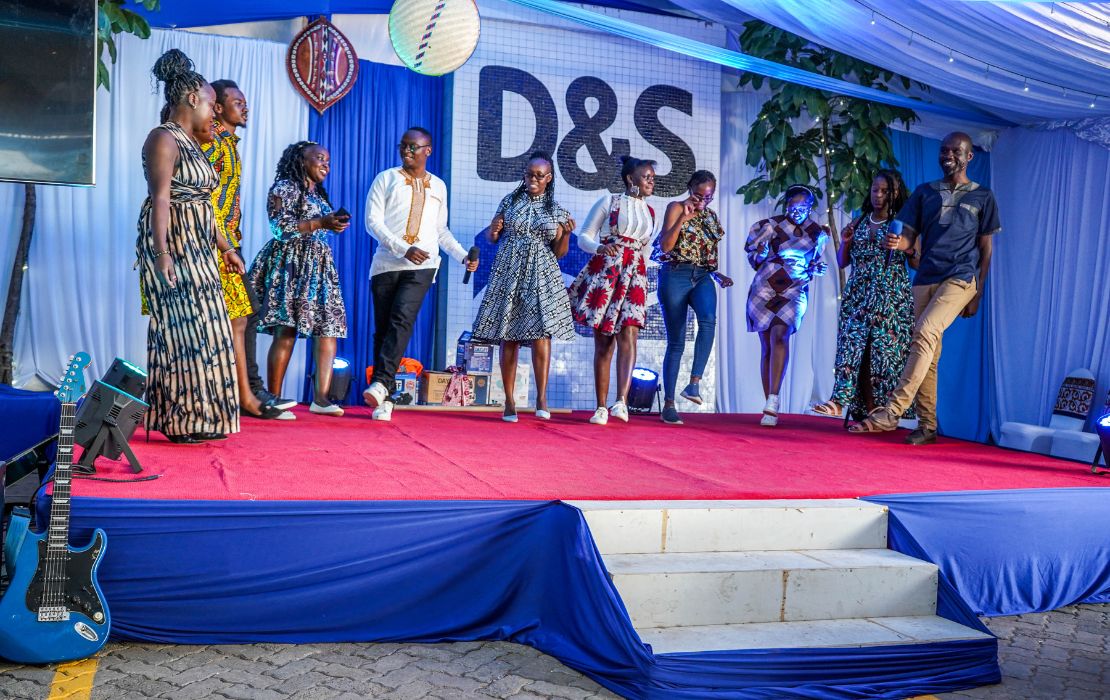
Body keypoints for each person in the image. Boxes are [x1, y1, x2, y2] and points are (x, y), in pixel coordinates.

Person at [850, 132, 1000, 444]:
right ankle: (928, 425)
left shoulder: (983, 196)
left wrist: (978, 292)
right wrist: (900, 243)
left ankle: (891, 411)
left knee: (926, 331)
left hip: (961, 277)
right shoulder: (924, 192)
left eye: (955, 151)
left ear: (969, 156)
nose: (948, 155)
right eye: (944, 150)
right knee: (928, 350)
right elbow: (909, 236)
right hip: (926, 276)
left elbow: (986, 249)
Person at [136, 49, 244, 444]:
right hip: (174, 242)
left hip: (200, 244)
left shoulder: (194, 142)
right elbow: (161, 198)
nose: (215, 113)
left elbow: (204, 204)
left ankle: (203, 417)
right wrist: (162, 253)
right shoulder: (163, 138)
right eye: (212, 105)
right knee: (182, 332)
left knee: (208, 331)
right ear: (193, 99)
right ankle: (178, 421)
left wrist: (226, 247)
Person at [363, 127, 479, 422]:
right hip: (385, 265)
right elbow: (372, 222)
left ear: (428, 150)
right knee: (383, 331)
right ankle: (385, 398)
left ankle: (380, 383)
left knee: (401, 319)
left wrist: (462, 256)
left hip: (423, 266)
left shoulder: (438, 186)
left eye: (413, 147)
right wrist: (403, 249)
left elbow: (441, 231)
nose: (407, 151)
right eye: (403, 146)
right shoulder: (386, 178)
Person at [201, 79, 289, 421]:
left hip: (227, 242)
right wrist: (222, 244)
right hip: (215, 244)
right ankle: (246, 393)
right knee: (242, 314)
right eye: (237, 102)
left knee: (245, 314)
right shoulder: (213, 143)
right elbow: (202, 197)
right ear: (217, 107)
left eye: (245, 102)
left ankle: (247, 392)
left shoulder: (229, 143)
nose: (245, 107)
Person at [471, 151, 576, 422]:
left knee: (542, 333)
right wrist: (493, 230)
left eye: (539, 176)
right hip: (509, 271)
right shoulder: (510, 201)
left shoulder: (556, 210)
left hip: (542, 274)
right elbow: (492, 237)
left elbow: (560, 252)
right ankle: (509, 401)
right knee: (509, 333)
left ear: (549, 178)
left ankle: (541, 398)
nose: (533, 179)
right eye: (529, 174)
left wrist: (566, 234)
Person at [248, 141, 350, 416]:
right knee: (287, 329)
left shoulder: (318, 194)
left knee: (328, 328)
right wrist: (320, 223)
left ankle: (321, 399)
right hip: (291, 264)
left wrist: (333, 225)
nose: (325, 164)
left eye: (328, 161)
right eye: (319, 158)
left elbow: (319, 226)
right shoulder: (285, 187)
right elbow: (279, 228)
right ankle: (274, 398)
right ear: (301, 161)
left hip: (319, 266)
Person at [811, 170, 913, 422]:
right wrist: (846, 242)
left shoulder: (904, 225)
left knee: (882, 353)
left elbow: (918, 261)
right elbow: (842, 262)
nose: (878, 195)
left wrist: (906, 246)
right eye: (875, 190)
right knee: (852, 346)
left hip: (890, 296)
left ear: (895, 193)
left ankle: (879, 411)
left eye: (885, 191)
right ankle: (840, 402)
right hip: (858, 294)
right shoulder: (859, 222)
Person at [569, 157, 656, 426]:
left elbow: (644, 248)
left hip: (634, 276)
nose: (651, 181)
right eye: (646, 177)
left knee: (630, 334)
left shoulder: (650, 212)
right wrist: (600, 248)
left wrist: (640, 274)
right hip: (608, 272)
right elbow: (584, 236)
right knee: (605, 341)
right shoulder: (610, 201)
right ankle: (600, 407)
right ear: (631, 178)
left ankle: (621, 402)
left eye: (653, 178)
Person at [653, 170, 733, 426]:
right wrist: (683, 218)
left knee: (708, 321)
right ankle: (668, 404)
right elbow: (666, 246)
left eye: (709, 197)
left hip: (702, 276)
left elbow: (703, 253)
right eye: (699, 195)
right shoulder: (676, 207)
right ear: (690, 189)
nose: (703, 201)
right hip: (675, 274)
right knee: (676, 342)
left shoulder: (711, 217)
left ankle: (694, 384)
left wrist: (717, 274)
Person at [746, 184, 830, 427]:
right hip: (764, 287)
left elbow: (813, 264)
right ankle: (769, 406)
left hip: (795, 287)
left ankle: (773, 399)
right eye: (794, 207)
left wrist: (817, 269)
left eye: (804, 207)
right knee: (767, 346)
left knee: (781, 335)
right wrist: (762, 252)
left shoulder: (817, 233)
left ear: (811, 207)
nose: (798, 212)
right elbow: (754, 261)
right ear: (787, 205)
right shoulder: (768, 225)